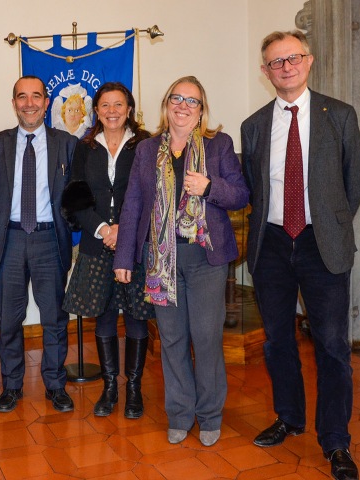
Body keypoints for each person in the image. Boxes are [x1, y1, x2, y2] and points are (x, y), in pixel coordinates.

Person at [240, 30, 360, 480]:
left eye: (293, 58)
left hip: (321, 245)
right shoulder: (254, 125)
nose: (286, 67)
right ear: (265, 71)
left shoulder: (340, 115)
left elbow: (354, 183)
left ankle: (335, 441)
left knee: (332, 346)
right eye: (276, 62)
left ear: (308, 61)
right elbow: (253, 187)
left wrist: (328, 227)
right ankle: (289, 417)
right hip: (271, 244)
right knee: (277, 341)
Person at [114, 76, 249, 446]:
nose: (183, 105)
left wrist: (210, 187)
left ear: (201, 110)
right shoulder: (146, 150)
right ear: (166, 104)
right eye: (177, 98)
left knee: (205, 338)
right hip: (161, 259)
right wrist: (123, 256)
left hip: (205, 257)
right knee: (172, 339)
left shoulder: (219, 145)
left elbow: (240, 195)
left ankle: (210, 415)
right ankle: (179, 413)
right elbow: (133, 204)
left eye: (192, 100)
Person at [61, 82, 152, 418]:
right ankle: (110, 388)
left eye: (118, 104)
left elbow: (151, 195)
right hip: (96, 243)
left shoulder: (145, 144)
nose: (112, 111)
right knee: (104, 316)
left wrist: (124, 231)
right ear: (96, 111)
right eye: (105, 105)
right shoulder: (84, 147)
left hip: (136, 245)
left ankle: (134, 390)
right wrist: (103, 229)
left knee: (137, 317)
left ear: (129, 109)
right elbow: (74, 197)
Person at [0, 75, 77, 413]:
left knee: (55, 317)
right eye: (22, 97)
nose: (29, 103)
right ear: (13, 103)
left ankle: (55, 385)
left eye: (36, 96)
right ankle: (12, 386)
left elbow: (77, 195)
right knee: (10, 320)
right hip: (9, 239)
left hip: (49, 240)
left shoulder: (66, 144)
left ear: (46, 102)